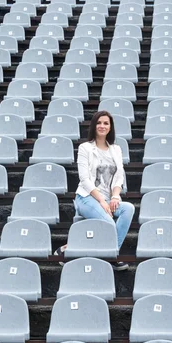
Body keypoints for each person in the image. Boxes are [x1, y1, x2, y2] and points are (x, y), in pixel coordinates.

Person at [55, 111, 135, 270]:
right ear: (94, 125)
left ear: (110, 127)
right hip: (87, 198)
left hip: (107, 198)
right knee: (109, 224)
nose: (102, 126)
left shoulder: (116, 149)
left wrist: (115, 197)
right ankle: (75, 249)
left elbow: (119, 176)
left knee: (128, 209)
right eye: (99, 123)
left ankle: (111, 253)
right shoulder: (85, 148)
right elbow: (84, 180)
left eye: (106, 123)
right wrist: (101, 201)